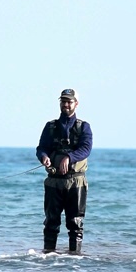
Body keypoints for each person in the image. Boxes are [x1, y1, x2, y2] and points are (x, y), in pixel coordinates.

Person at [36, 88, 93, 254]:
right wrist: (44, 157)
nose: (66, 105)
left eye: (69, 101)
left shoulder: (84, 127)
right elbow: (41, 148)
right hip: (54, 182)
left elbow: (86, 149)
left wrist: (69, 157)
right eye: (63, 101)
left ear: (76, 103)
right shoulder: (50, 126)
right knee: (51, 222)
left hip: (76, 182)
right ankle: (48, 256)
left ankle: (74, 259)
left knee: (75, 223)